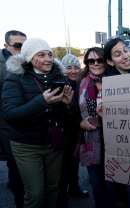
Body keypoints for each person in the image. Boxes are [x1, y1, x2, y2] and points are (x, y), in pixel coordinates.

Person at [2, 38, 73, 208]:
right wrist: (41, 101)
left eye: (49, 54)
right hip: (26, 145)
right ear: (29, 58)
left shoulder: (59, 77)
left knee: (53, 188)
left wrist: (68, 104)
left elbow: (66, 115)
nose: (48, 59)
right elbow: (10, 114)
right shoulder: (16, 78)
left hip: (53, 143)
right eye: (41, 55)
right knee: (35, 193)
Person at [103, 37, 130, 208]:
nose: (125, 56)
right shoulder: (106, 83)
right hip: (119, 147)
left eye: (126, 51)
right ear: (110, 61)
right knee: (119, 194)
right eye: (117, 54)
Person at [57, 54, 88, 208]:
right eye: (69, 68)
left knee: (74, 163)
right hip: (65, 133)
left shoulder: (80, 83)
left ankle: (74, 188)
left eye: (76, 67)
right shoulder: (60, 85)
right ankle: (64, 195)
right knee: (65, 166)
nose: (74, 71)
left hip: (77, 131)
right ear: (63, 69)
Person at [78, 47, 108, 208]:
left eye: (99, 60)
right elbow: (73, 112)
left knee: (113, 185)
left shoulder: (115, 79)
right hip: (91, 141)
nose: (95, 63)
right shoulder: (81, 83)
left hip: (114, 140)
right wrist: (79, 123)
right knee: (96, 185)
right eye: (91, 60)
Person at [0, 30, 26, 208]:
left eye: (24, 45)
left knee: (17, 165)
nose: (21, 49)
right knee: (15, 164)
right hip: (6, 124)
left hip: (24, 121)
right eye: (18, 46)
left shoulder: (26, 61)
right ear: (6, 45)